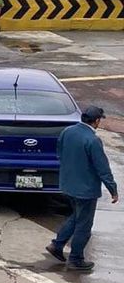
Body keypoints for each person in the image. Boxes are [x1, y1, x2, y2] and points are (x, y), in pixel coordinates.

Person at [46, 106, 118, 272]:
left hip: (68, 185)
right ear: (96, 121)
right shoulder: (93, 140)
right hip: (86, 190)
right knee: (84, 225)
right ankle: (76, 258)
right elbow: (102, 168)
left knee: (77, 216)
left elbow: (60, 153)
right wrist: (112, 189)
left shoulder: (67, 132)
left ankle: (57, 244)